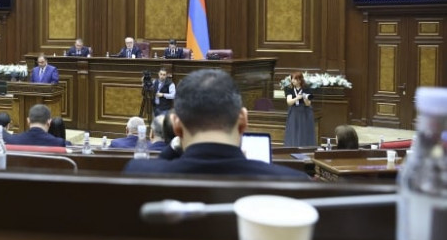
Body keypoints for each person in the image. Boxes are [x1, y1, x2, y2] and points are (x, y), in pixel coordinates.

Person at [124, 69, 310, 179]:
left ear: (177, 127)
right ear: (243, 122)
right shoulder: (293, 181)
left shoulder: (138, 174)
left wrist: (173, 147)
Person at [283, 71, 316, 147]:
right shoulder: (289, 88)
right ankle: (292, 146)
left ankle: (306, 147)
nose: (293, 80)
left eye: (295, 79)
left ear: (300, 80)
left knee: (304, 130)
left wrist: (305, 98)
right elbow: (289, 102)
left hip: (305, 111)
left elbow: (308, 104)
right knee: (293, 129)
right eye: (292, 79)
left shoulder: (306, 88)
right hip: (294, 111)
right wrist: (297, 98)